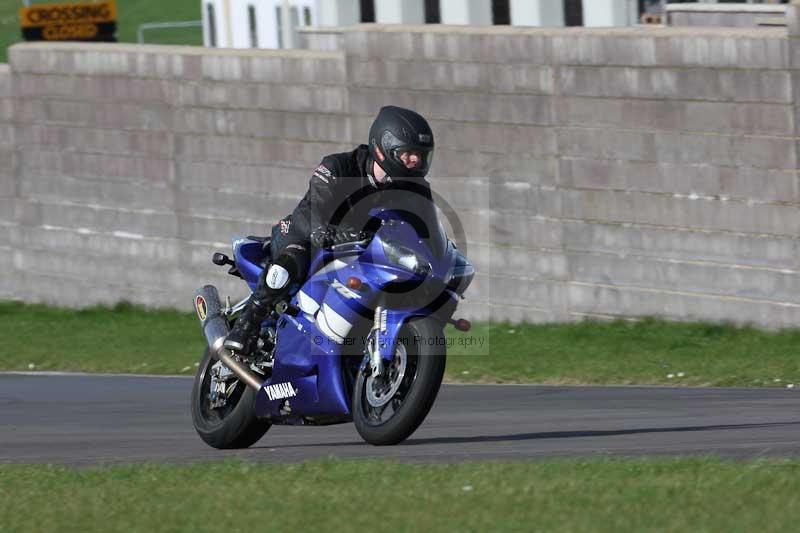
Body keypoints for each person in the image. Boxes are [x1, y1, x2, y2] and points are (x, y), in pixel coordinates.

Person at [223, 106, 436, 356]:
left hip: (360, 250)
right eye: (409, 153)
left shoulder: (417, 191)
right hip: (307, 233)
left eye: (421, 155)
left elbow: (426, 234)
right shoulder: (338, 166)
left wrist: (440, 259)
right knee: (288, 263)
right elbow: (316, 209)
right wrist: (333, 231)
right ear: (383, 148)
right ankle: (248, 324)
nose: (416, 161)